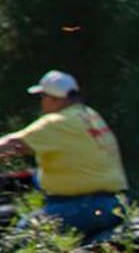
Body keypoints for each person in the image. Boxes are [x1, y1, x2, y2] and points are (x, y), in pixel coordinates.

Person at [0, 69, 129, 240]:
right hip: (113, 202)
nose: (42, 103)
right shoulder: (90, 115)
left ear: (53, 98)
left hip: (82, 205)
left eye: (42, 97)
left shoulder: (57, 122)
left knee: (24, 234)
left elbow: (11, 145)